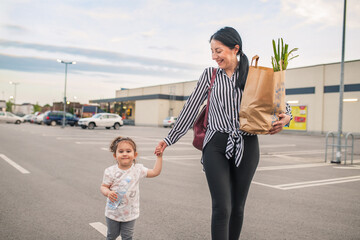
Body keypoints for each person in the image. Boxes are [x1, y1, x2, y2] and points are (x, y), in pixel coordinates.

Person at [155, 27, 292, 240]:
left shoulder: (253, 75)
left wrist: (287, 117)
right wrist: (168, 139)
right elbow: (190, 109)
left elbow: (278, 102)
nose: (214, 56)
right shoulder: (209, 76)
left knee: (237, 207)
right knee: (222, 207)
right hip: (216, 144)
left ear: (235, 48)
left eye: (218, 50)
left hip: (247, 144)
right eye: (212, 51)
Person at [101, 136, 163, 240]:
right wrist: (108, 193)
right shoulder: (110, 171)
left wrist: (159, 157)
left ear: (135, 155)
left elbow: (155, 172)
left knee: (127, 237)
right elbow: (104, 186)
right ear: (115, 155)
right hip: (113, 213)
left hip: (130, 213)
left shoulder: (138, 169)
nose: (124, 153)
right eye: (121, 151)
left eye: (128, 151)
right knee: (112, 235)